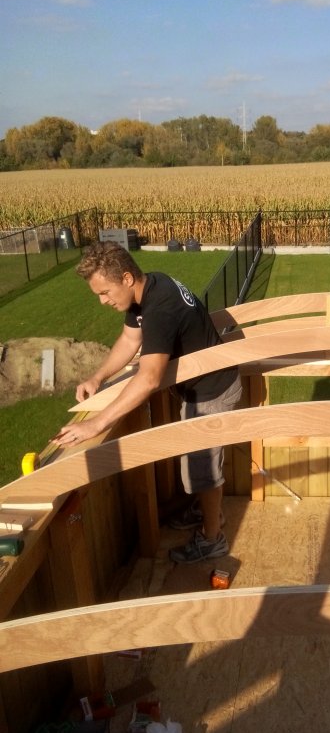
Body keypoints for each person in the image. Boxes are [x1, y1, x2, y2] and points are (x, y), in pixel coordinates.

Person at [52, 240, 242, 563]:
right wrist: (98, 377)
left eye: (105, 292)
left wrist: (97, 423)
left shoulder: (160, 307)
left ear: (126, 278)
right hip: (201, 388)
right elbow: (130, 340)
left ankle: (214, 538)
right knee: (195, 469)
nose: (102, 301)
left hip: (212, 391)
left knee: (201, 471)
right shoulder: (149, 288)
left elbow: (150, 377)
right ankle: (205, 510)